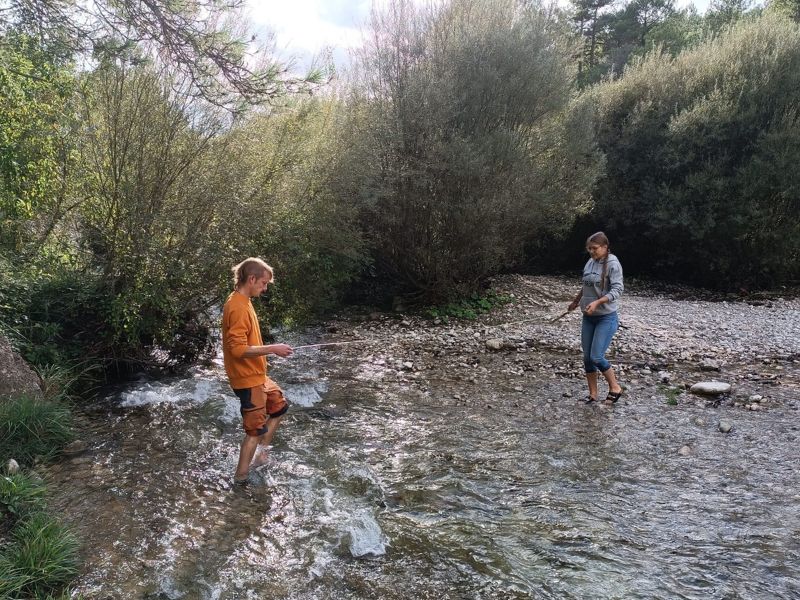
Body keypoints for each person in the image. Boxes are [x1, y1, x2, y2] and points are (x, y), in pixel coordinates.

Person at [222, 257, 294, 483]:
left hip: (257, 376)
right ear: (251, 279)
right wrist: (273, 349)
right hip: (247, 379)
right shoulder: (237, 306)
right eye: (263, 283)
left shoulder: (243, 300)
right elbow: (236, 349)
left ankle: (261, 457)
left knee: (279, 406)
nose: (264, 289)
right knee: (253, 431)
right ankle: (240, 480)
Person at [567, 232, 624, 405]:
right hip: (588, 317)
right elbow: (586, 285)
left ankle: (615, 387)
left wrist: (598, 302)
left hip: (606, 317)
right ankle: (593, 394)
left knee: (596, 357)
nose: (591, 251)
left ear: (605, 247)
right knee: (587, 357)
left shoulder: (613, 264)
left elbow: (618, 290)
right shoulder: (590, 262)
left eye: (595, 248)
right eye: (589, 248)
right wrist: (576, 302)